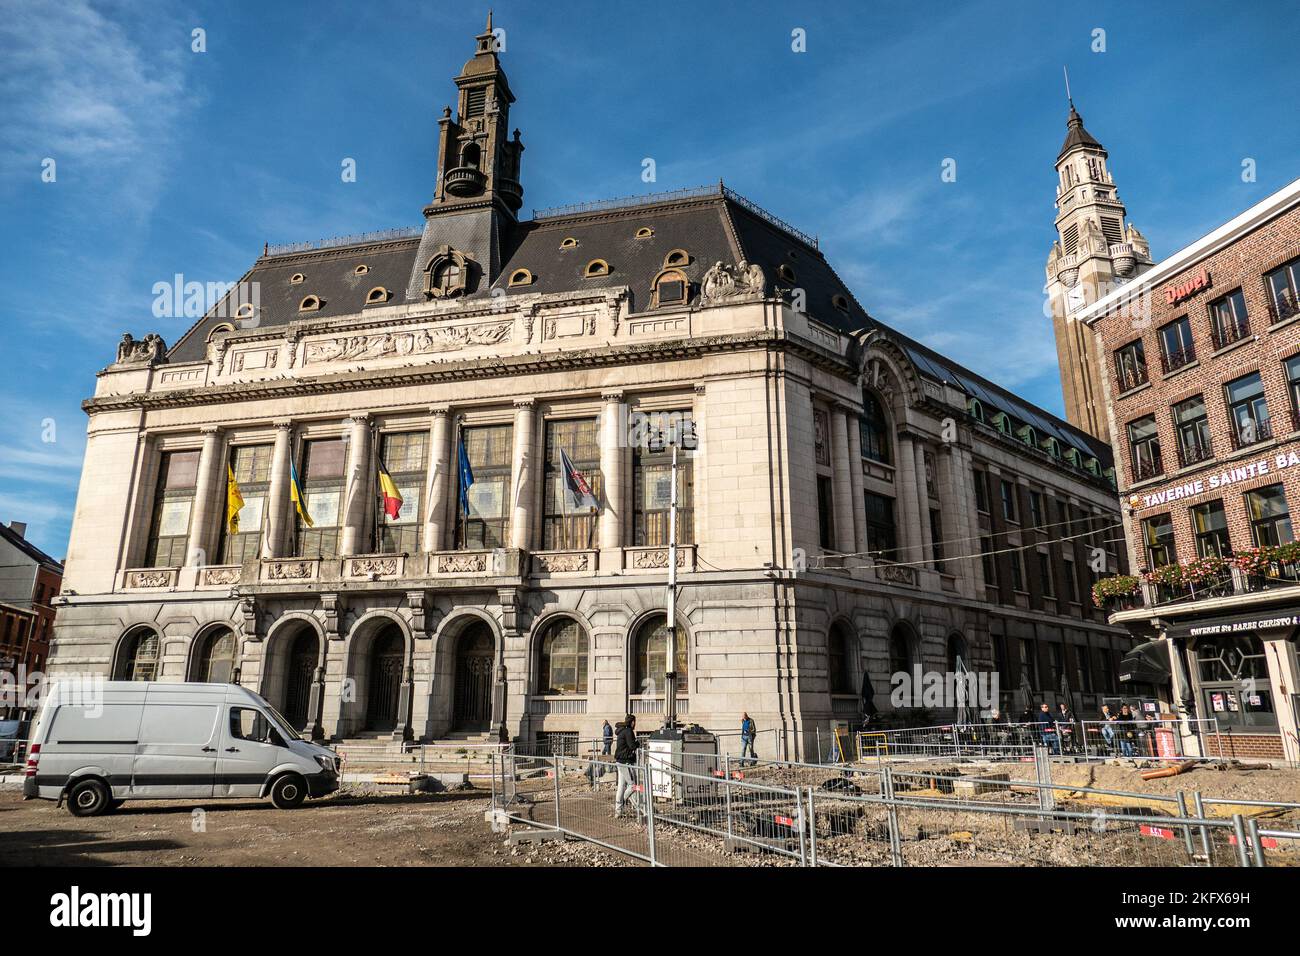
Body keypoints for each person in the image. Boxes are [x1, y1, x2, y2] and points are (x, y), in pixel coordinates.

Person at [613, 715, 640, 818]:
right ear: (632, 722)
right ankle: (622, 803)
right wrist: (637, 743)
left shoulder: (622, 730)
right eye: (635, 722)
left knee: (621, 786)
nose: (635, 724)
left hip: (619, 761)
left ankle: (618, 811)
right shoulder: (628, 731)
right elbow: (632, 746)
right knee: (633, 785)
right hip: (625, 762)